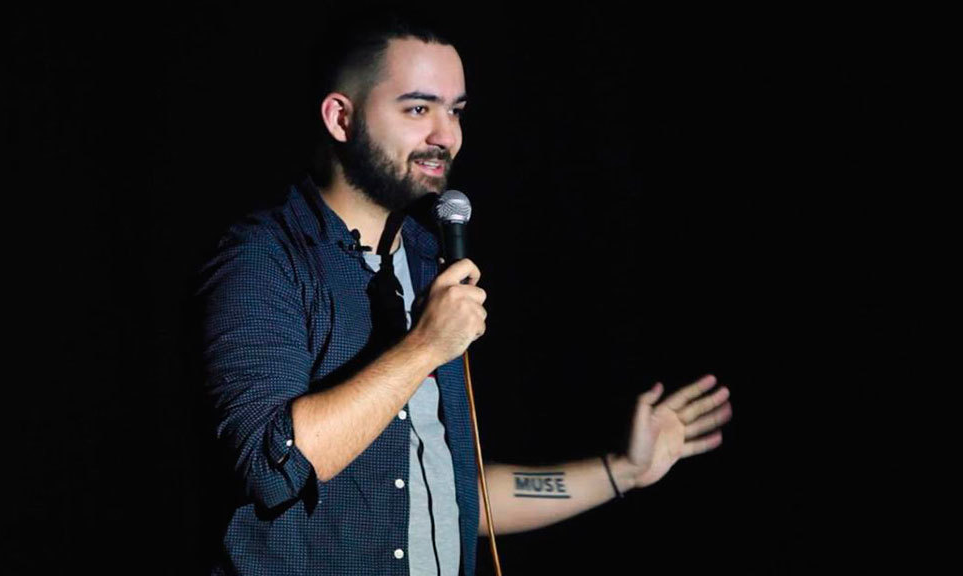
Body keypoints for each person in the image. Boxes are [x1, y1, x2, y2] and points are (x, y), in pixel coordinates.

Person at [197, 12, 733, 576]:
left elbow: (453, 496)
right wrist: (425, 347)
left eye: (455, 111)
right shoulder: (264, 260)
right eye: (418, 109)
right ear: (341, 117)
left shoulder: (429, 261)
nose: (446, 136)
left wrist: (623, 470)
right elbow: (272, 464)